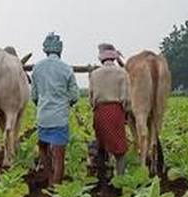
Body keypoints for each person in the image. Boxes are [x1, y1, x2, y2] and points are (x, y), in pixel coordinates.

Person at [31, 32, 79, 186]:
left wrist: (42, 103)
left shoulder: (37, 68)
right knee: (59, 157)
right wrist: (67, 103)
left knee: (43, 148)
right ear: (60, 50)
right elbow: (74, 96)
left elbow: (34, 95)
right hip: (59, 118)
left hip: (43, 117)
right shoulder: (66, 68)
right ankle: (56, 187)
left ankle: (49, 177)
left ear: (45, 50)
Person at [88, 43, 131, 181]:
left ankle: (102, 178)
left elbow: (91, 97)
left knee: (101, 147)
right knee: (120, 149)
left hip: (100, 112)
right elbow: (126, 98)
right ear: (113, 58)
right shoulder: (122, 73)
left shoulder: (94, 74)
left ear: (101, 59)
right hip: (116, 111)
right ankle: (120, 178)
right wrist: (125, 112)